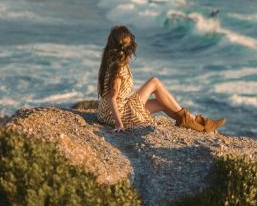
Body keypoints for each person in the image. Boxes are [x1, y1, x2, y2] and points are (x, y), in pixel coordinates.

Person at [96, 25, 226, 133]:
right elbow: (113, 98)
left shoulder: (110, 61)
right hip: (119, 113)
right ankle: (200, 121)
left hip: (107, 111)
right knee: (155, 82)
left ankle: (196, 125)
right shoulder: (119, 69)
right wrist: (119, 125)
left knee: (161, 103)